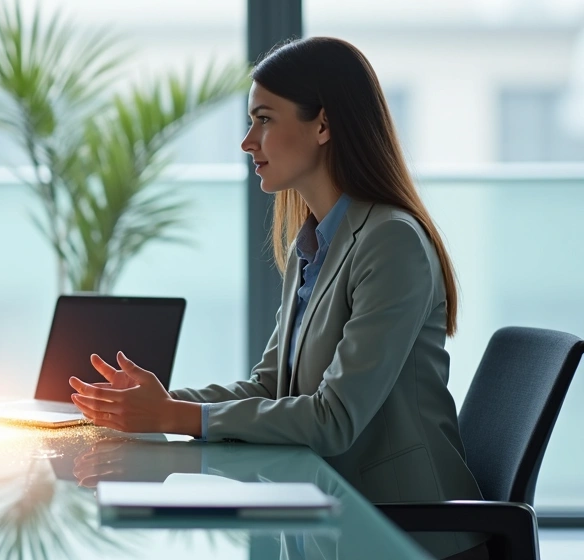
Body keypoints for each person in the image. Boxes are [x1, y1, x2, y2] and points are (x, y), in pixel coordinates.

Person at [68, 37, 487, 560]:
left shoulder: (391, 241)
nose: (248, 141)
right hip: (333, 523)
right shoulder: (312, 242)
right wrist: (156, 404)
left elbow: (333, 419)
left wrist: (172, 417)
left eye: (263, 119)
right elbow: (269, 385)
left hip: (406, 537)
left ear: (324, 125)